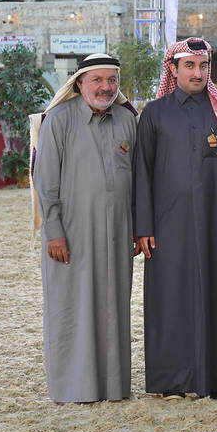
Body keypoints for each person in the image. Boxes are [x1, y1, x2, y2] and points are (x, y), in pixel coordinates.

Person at [134, 37, 217, 400]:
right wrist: (143, 227)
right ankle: (170, 379)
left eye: (203, 66)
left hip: (215, 222)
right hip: (166, 227)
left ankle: (212, 378)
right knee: (169, 297)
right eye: (189, 66)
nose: (198, 73)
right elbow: (142, 173)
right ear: (173, 69)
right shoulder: (154, 113)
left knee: (215, 293)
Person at [32, 53, 138, 403]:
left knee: (113, 308)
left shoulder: (126, 120)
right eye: (97, 80)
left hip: (118, 234)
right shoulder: (59, 120)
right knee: (72, 306)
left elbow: (138, 179)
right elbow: (45, 182)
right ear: (79, 83)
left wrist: (137, 228)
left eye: (112, 81)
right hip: (71, 234)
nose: (106, 87)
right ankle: (72, 388)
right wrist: (54, 231)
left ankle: (112, 387)